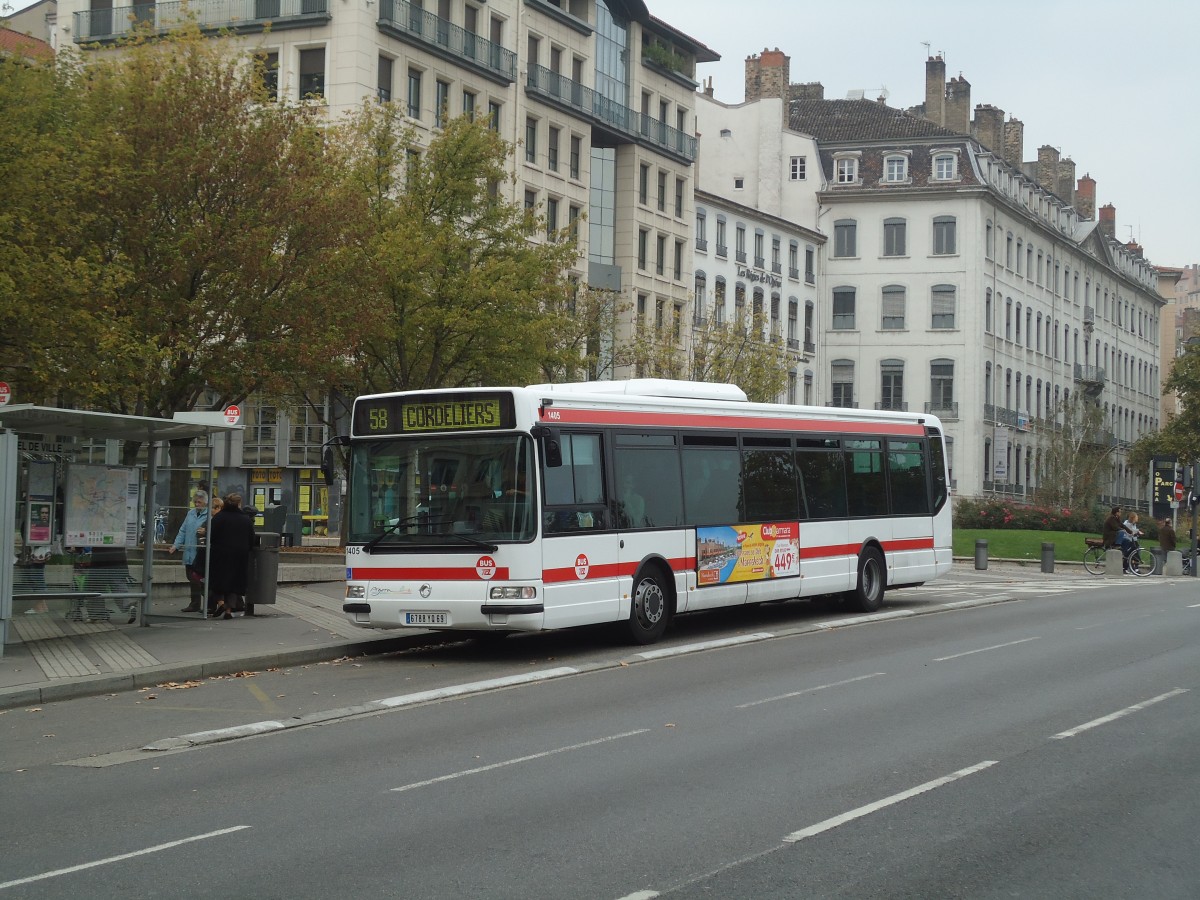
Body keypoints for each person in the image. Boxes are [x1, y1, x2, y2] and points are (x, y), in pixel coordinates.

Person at [207, 493, 255, 620]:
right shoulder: (245, 519)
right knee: (234, 583)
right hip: (239, 555)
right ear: (239, 504)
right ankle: (228, 610)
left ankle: (221, 604)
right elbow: (251, 538)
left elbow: (211, 535)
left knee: (218, 580)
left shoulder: (219, 517)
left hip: (220, 554)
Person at [167, 490, 209, 613]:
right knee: (191, 578)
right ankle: (195, 603)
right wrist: (176, 546)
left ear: (205, 502)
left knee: (199, 579)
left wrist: (206, 531)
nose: (197, 504)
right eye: (195, 502)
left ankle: (209, 603)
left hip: (200, 553)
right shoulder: (190, 513)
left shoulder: (209, 515)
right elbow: (183, 531)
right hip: (189, 552)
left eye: (199, 502)